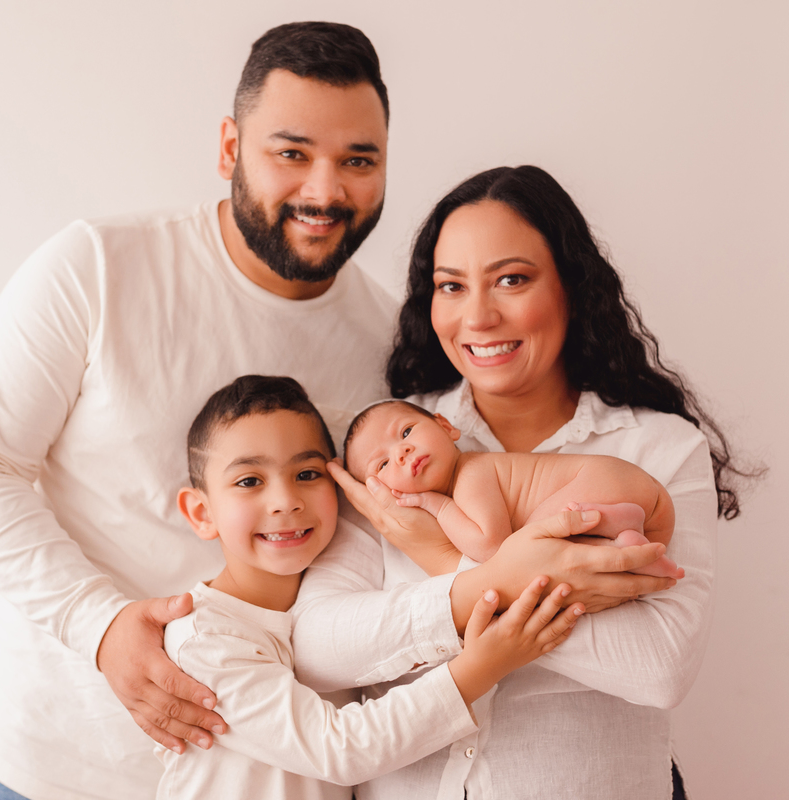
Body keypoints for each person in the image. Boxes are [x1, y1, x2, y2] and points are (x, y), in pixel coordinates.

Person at [0, 20, 672, 799]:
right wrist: (102, 627)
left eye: (358, 160)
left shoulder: (393, 350)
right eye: (291, 154)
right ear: (229, 149)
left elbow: (377, 570)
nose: (325, 191)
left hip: (273, 773)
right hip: (58, 759)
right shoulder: (99, 268)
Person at [294, 165, 748, 799]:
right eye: (451, 286)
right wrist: (505, 583)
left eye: (511, 279)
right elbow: (315, 646)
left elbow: (659, 667)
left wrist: (442, 563)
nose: (477, 316)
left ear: (571, 286)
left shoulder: (659, 449)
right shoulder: (392, 451)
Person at [157, 375, 582, 800]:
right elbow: (339, 749)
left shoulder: (343, 606)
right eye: (249, 481)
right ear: (201, 512)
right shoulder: (204, 638)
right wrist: (479, 669)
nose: (286, 500)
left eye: (307, 473)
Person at [341, 399, 683, 578]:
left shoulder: (471, 473)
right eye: (382, 465)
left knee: (530, 551)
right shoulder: (471, 477)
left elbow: (492, 549)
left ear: (446, 426)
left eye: (406, 433)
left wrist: (437, 506)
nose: (401, 453)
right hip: (640, 499)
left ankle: (616, 524)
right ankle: (623, 536)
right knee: (560, 561)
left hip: (601, 481)